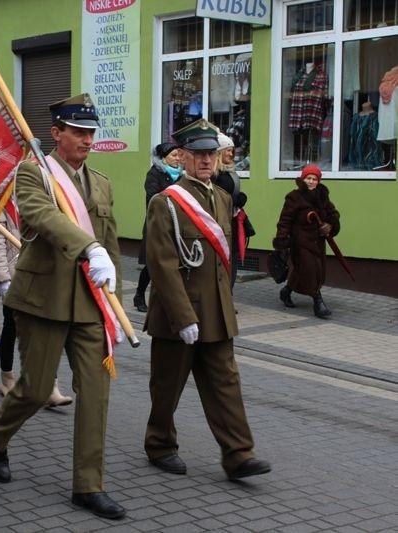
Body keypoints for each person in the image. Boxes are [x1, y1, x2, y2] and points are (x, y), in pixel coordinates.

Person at [0, 93, 126, 520]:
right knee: (37, 388)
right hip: (43, 299)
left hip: (89, 302)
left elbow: (109, 238)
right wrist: (90, 247)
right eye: (78, 132)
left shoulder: (100, 181)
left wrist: (113, 278)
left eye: (91, 133)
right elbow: (42, 217)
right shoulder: (32, 174)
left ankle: (88, 485)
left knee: (96, 391)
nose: (86, 140)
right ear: (56, 133)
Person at [144, 118, 271, 480]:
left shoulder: (223, 197)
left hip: (215, 312)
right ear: (182, 156)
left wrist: (225, 306)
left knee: (226, 384)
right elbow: (162, 264)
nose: (205, 160)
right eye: (198, 154)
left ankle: (238, 455)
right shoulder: (165, 203)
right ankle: (159, 444)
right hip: (179, 314)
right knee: (167, 386)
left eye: (210, 154)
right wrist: (183, 317)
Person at [0, 213, 73, 406]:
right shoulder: (4, 203)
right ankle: (7, 379)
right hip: (15, 277)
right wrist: (3, 281)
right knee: (11, 327)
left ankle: (50, 386)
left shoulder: (45, 198)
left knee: (45, 328)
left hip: (41, 275)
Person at [273, 164, 340, 318]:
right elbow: (285, 220)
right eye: (308, 178)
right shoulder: (294, 197)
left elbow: (333, 213)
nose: (311, 182)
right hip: (300, 242)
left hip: (317, 241)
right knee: (311, 271)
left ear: (318, 181)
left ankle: (286, 291)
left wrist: (330, 225)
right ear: (303, 179)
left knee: (308, 271)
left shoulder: (322, 195)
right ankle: (318, 302)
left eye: (314, 179)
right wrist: (282, 240)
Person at [134, 141, 181, 312]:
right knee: (152, 263)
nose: (178, 159)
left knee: (171, 262)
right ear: (164, 158)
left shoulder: (180, 175)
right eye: (174, 155)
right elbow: (153, 198)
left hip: (176, 226)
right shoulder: (154, 174)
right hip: (157, 224)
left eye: (179, 155)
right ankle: (139, 295)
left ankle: (168, 300)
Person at [214, 132, 249, 287]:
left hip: (233, 220)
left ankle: (228, 295)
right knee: (222, 258)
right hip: (220, 222)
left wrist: (240, 199)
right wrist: (236, 199)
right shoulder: (215, 174)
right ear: (219, 152)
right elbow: (216, 197)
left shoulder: (231, 171)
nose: (231, 153)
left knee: (233, 259)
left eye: (232, 150)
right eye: (228, 150)